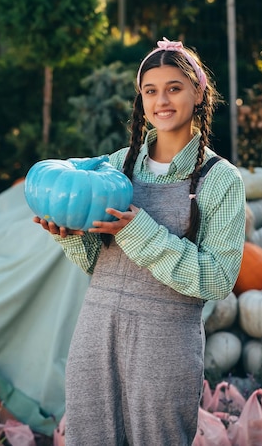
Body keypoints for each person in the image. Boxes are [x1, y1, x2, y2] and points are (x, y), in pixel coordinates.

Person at [34, 37, 246, 446]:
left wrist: (137, 230)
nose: (161, 101)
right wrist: (72, 237)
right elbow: (101, 264)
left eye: (173, 88)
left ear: (198, 92)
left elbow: (218, 279)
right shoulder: (116, 166)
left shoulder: (221, 180)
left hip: (165, 342)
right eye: (151, 91)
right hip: (96, 331)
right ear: (141, 99)